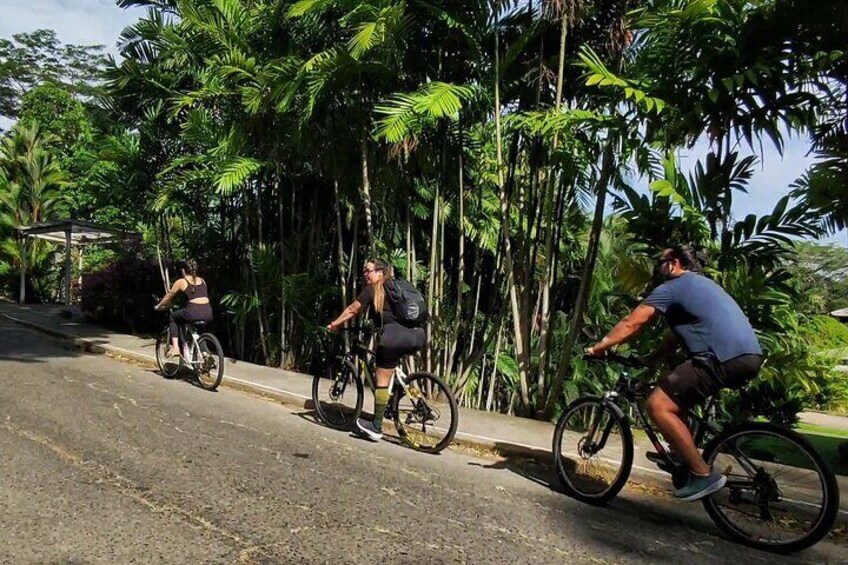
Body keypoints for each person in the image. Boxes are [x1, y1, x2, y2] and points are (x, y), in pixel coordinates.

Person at [586, 245, 763, 501]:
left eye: (661, 261)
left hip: (720, 357)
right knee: (676, 397)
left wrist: (599, 347)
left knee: (658, 405)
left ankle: (702, 474)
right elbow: (673, 338)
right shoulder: (704, 286)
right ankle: (682, 454)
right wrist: (651, 361)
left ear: (674, 263)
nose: (658, 267)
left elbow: (632, 322)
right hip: (747, 356)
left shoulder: (672, 288)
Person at [328, 258, 426, 441]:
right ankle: (406, 396)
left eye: (369, 270)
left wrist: (335, 324)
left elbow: (352, 310)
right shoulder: (399, 286)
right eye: (365, 271)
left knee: (381, 377)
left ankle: (376, 426)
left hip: (394, 338)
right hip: (417, 335)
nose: (365, 274)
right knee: (393, 370)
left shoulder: (374, 289)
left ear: (380, 272)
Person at [154, 259, 214, 359]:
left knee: (173, 317)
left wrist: (159, 306)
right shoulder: (202, 281)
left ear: (183, 270)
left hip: (193, 311)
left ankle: (176, 347)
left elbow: (168, 297)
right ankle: (205, 354)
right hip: (208, 312)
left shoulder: (182, 281)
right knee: (198, 332)